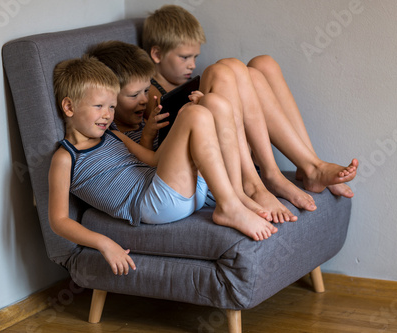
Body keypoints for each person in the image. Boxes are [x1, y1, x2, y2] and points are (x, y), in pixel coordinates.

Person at [48, 56, 278, 275]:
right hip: (153, 204)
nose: (107, 115)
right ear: (69, 107)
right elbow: (59, 221)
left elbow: (155, 160)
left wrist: (188, 115)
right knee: (194, 115)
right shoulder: (66, 157)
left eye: (111, 107)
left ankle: (235, 195)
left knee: (207, 105)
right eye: (99, 106)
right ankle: (229, 206)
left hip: (182, 191)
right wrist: (104, 243)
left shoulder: (114, 136)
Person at [142, 5, 358, 208]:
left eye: (195, 57)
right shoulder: (150, 92)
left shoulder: (183, 84)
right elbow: (171, 139)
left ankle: (309, 164)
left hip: (231, 141)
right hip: (209, 158)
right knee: (222, 71)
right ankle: (269, 177)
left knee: (262, 65)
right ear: (157, 55)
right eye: (184, 57)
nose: (192, 64)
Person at [87, 40, 296, 223]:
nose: (143, 100)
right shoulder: (111, 133)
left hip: (202, 162)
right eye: (133, 95)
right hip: (184, 178)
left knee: (225, 81)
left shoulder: (144, 115)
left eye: (145, 91)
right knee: (212, 92)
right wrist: (154, 133)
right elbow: (148, 164)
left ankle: (269, 178)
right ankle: (246, 188)